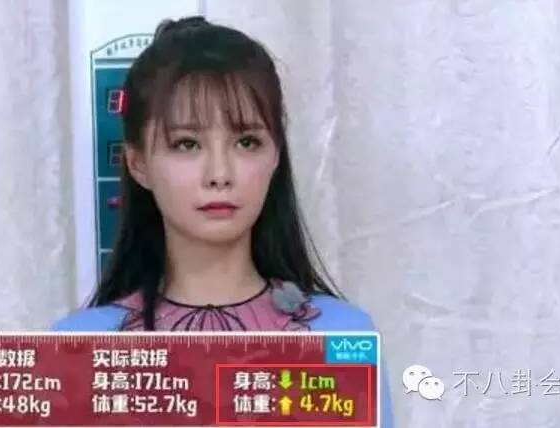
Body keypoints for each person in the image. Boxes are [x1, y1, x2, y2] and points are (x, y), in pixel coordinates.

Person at [53, 16, 393, 426]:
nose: (219, 173)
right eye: (187, 144)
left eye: (246, 142)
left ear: (276, 155)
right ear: (138, 163)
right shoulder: (74, 352)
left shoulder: (343, 337)